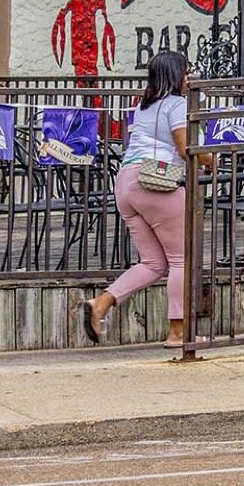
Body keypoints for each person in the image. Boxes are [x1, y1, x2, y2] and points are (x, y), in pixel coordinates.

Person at [84, 52, 193, 348]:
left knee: (154, 263)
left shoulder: (143, 105)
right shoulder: (177, 104)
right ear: (175, 75)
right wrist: (213, 158)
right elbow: (184, 148)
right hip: (156, 181)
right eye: (186, 72)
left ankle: (100, 304)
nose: (189, 78)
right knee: (181, 259)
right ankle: (178, 333)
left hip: (126, 183)